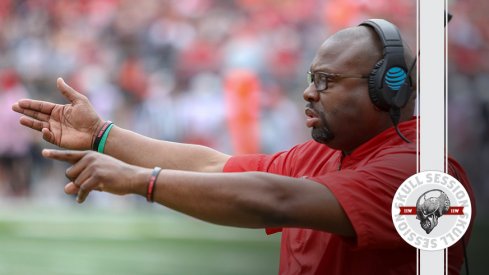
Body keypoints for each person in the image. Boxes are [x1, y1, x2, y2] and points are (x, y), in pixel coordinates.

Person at [12, 20, 475, 275]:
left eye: (326, 81)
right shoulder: (327, 154)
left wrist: (139, 182)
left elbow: (275, 199)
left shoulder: (423, 174)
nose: (309, 93)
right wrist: (103, 135)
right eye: (311, 79)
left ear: (387, 90)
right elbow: (215, 165)